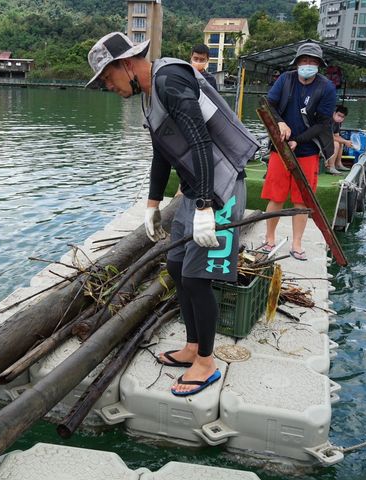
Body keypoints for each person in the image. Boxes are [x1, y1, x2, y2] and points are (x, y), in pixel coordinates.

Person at [86, 32, 258, 396]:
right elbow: (161, 153)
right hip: (197, 190)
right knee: (178, 267)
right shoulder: (151, 96)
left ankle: (208, 363)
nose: (108, 86)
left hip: (221, 189)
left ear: (126, 65)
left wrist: (208, 208)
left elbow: (199, 141)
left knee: (197, 279)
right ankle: (193, 347)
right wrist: (152, 205)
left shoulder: (171, 79)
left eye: (107, 77)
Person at [260, 42, 336, 261]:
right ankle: (270, 238)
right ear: (297, 62)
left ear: (319, 65)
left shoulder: (326, 87)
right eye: (304, 61)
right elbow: (268, 105)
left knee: (302, 200)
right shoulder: (285, 79)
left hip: (308, 148)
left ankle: (296, 243)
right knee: (276, 196)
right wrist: (280, 123)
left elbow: (323, 123)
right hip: (280, 147)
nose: (308, 65)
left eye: (313, 62)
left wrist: (298, 141)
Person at [328, 104, 352, 174]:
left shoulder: (337, 123)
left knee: (340, 143)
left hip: (326, 141)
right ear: (334, 113)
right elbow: (330, 137)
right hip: (319, 142)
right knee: (336, 144)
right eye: (339, 115)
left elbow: (337, 136)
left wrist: (346, 142)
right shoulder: (328, 120)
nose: (340, 118)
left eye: (342, 117)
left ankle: (338, 164)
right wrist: (345, 141)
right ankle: (331, 167)